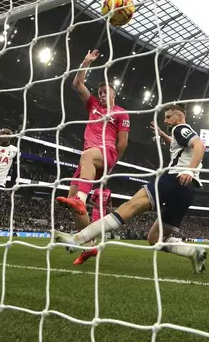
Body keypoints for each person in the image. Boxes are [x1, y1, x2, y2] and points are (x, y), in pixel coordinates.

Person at [54, 104, 207, 273]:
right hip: (188, 191)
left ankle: (78, 239)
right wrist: (163, 135)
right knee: (155, 238)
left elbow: (200, 146)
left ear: (179, 116)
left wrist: (189, 170)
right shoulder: (179, 134)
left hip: (173, 179)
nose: (165, 120)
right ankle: (193, 251)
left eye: (168, 117)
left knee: (129, 207)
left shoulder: (181, 128)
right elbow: (179, 146)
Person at [56, 50, 130, 265]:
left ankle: (81, 199)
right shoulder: (93, 106)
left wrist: (112, 163)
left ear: (114, 94)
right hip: (88, 158)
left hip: (105, 152)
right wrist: (85, 62)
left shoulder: (121, 113)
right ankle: (89, 246)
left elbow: (123, 142)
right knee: (71, 198)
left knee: (86, 158)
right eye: (100, 91)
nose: (102, 94)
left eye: (106, 91)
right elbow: (77, 84)